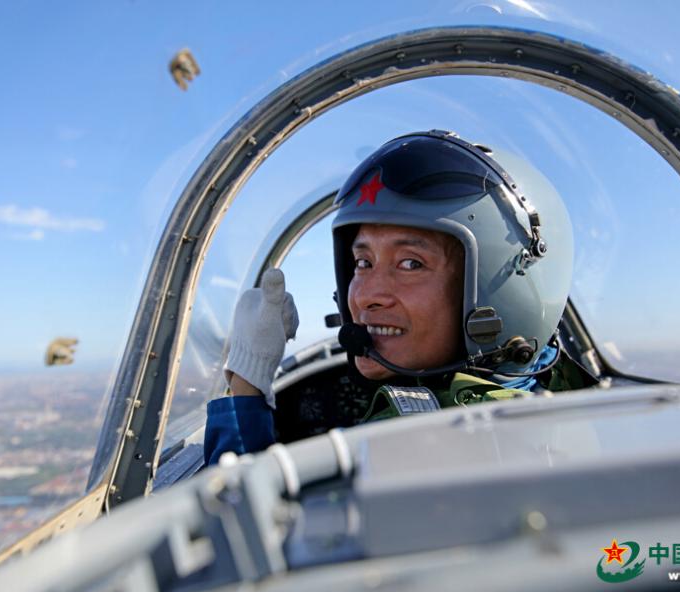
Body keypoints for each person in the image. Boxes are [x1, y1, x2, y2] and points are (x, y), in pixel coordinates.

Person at [203, 129, 595, 465]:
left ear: (497, 289)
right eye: (363, 262)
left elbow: (227, 531)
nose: (367, 296)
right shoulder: (561, 396)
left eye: (411, 264)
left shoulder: (412, 450)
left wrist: (247, 386)